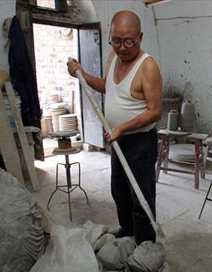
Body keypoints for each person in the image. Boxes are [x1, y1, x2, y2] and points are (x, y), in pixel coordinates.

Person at [67, 10, 162, 244]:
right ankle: (128, 231)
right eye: (116, 40)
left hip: (140, 142)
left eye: (128, 41)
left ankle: (146, 243)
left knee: (141, 196)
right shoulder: (113, 57)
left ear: (140, 37)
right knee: (119, 191)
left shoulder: (147, 67)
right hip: (119, 139)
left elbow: (155, 111)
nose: (122, 47)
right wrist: (82, 74)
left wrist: (123, 127)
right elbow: (107, 87)